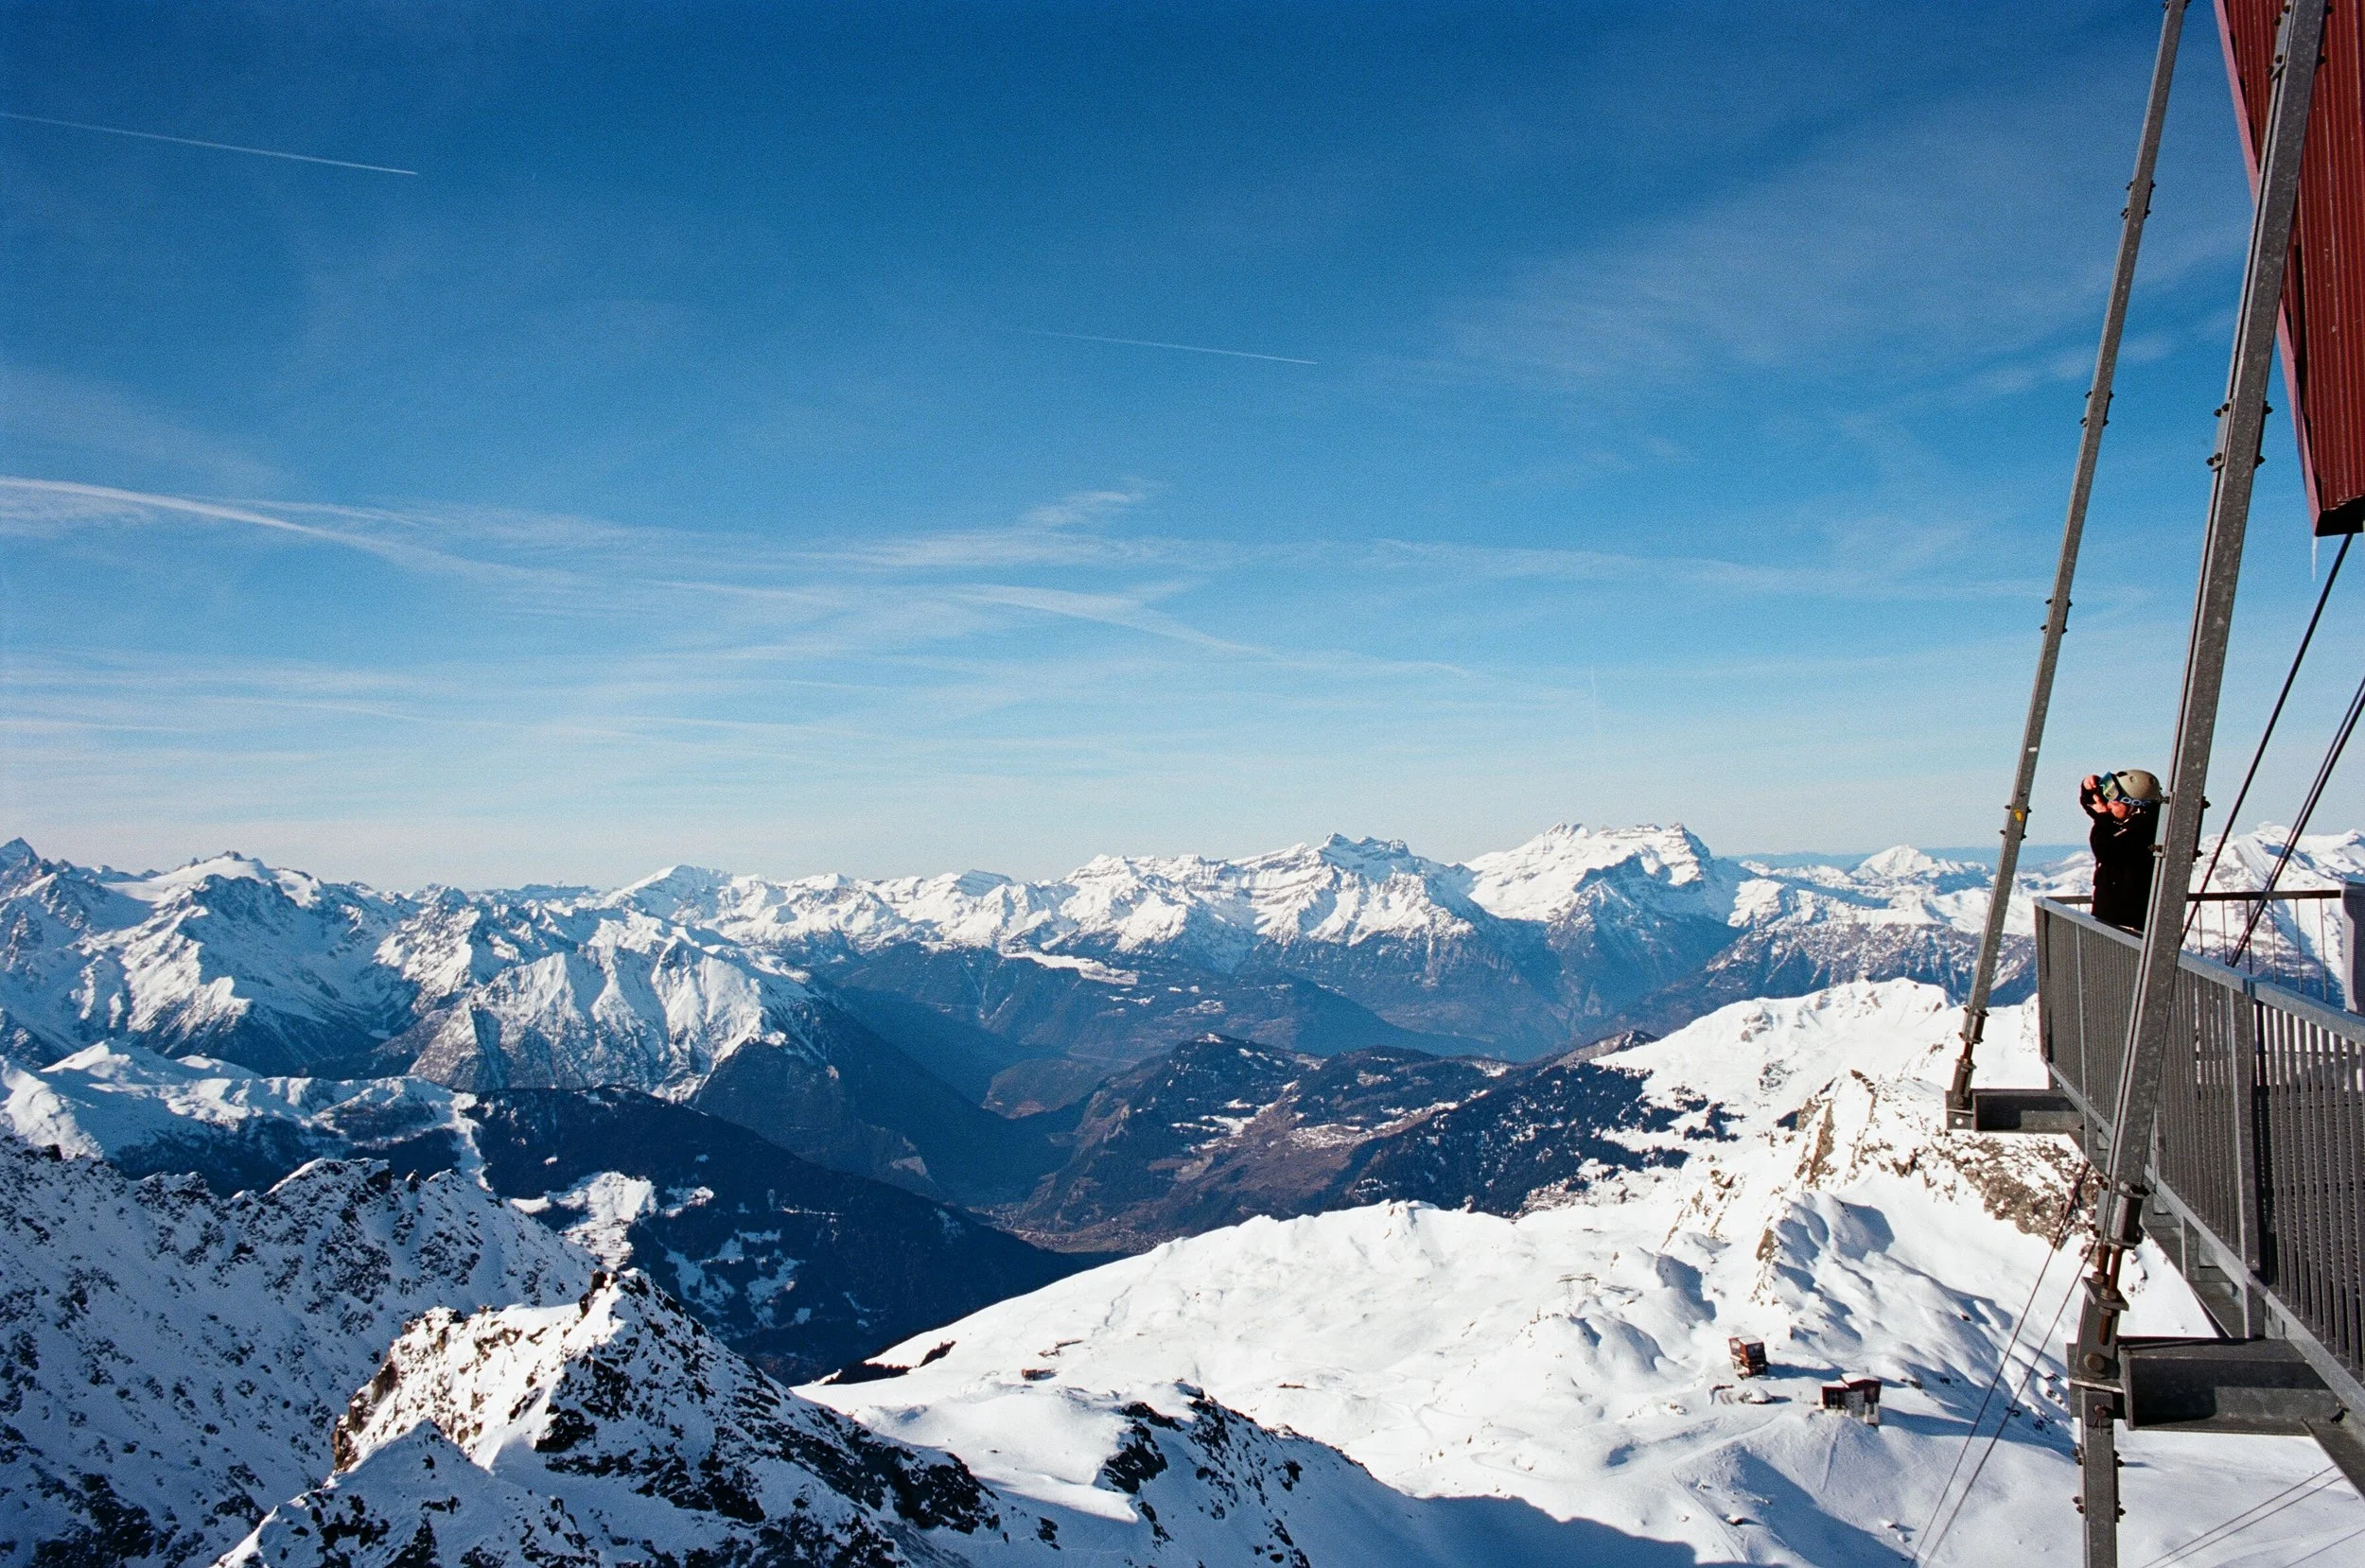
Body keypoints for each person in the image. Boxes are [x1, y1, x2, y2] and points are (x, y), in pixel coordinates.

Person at [2080, 769, 2162, 932]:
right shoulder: (2135, 820)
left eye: (2115, 803)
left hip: (2127, 922)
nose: (2109, 806)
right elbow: (2099, 809)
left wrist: (2102, 817)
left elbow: (2105, 850)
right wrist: (2089, 789)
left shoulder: (2143, 830)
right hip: (2118, 919)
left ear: (2135, 805)